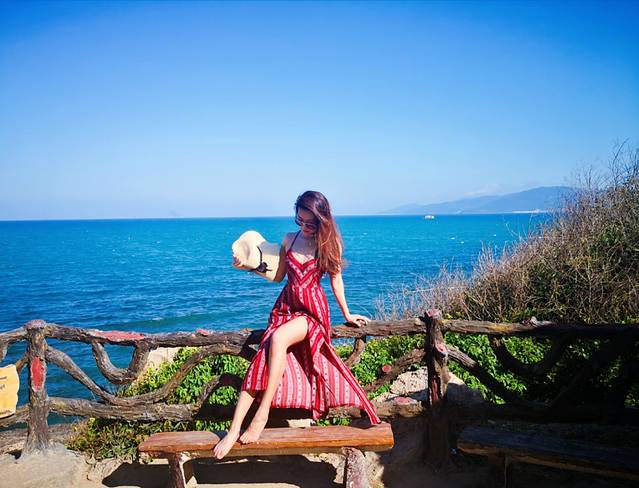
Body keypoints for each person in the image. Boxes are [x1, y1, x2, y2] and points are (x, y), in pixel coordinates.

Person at [213, 190, 381, 459]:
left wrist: (347, 314)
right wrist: (246, 265)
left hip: (312, 312)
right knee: (260, 364)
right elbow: (279, 275)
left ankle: (262, 414)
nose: (303, 227)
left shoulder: (329, 245)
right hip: (285, 308)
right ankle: (233, 430)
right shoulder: (289, 239)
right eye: (299, 221)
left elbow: (336, 281)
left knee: (278, 339)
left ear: (322, 220)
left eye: (309, 223)